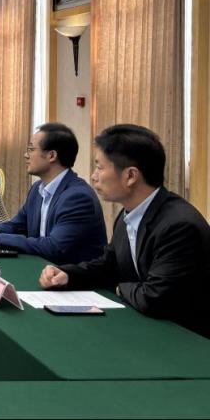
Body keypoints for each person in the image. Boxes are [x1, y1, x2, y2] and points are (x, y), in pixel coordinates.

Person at [39, 124, 210, 338]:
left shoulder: (179, 226)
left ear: (130, 176)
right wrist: (68, 274)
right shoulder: (128, 213)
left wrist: (118, 288)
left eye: (100, 167)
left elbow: (155, 298)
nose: (93, 176)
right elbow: (109, 265)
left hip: (189, 338)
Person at [0, 123, 105, 263]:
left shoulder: (77, 197)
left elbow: (54, 247)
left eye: (31, 149)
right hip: (42, 267)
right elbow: (18, 226)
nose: (26, 155)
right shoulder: (38, 188)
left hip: (68, 274)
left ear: (51, 155)